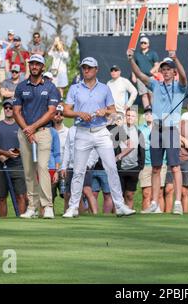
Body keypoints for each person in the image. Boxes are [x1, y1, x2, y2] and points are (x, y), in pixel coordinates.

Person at [62, 57, 135, 218]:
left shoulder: (104, 88)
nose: (86, 70)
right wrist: (78, 113)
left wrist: (105, 111)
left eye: (89, 68)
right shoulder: (75, 88)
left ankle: (120, 205)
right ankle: (73, 207)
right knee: (78, 171)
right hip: (82, 131)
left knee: (111, 168)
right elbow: (65, 111)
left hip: (101, 131)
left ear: (96, 69)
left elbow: (113, 111)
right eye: (84, 68)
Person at [128, 52, 187, 215]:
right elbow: (139, 74)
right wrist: (130, 59)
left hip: (171, 130)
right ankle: (154, 203)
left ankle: (177, 203)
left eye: (169, 69)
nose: (166, 71)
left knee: (174, 167)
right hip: (156, 130)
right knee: (155, 168)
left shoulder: (180, 86)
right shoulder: (156, 84)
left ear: (173, 71)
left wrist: (176, 59)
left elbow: (183, 76)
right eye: (164, 69)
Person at [13, 54, 61, 219]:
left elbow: (51, 112)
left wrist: (32, 128)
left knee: (42, 167)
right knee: (28, 170)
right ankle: (32, 207)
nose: (34, 66)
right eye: (32, 63)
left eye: (37, 64)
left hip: (43, 132)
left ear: (42, 67)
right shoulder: (20, 87)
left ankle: (47, 206)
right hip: (25, 133)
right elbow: (16, 111)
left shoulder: (50, 87)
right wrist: (27, 129)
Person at [0, 99, 27, 217]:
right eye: (6, 108)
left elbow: (27, 145)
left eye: (11, 108)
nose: (8, 110)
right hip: (0, 166)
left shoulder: (22, 126)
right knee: (1, 197)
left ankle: (21, 221)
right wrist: (5, 153)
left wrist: (11, 153)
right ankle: (3, 222)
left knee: (21, 196)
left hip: (17, 165)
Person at [60, 125, 97, 214]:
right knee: (69, 193)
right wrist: (64, 166)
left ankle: (95, 214)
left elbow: (95, 149)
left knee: (86, 190)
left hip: (85, 165)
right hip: (71, 166)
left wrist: (89, 164)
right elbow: (67, 148)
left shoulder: (91, 129)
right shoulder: (71, 129)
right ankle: (78, 213)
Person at [138, 106, 168, 211]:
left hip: (161, 163)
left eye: (151, 113)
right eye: (146, 113)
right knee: (146, 193)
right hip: (146, 164)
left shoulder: (161, 128)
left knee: (160, 192)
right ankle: (147, 215)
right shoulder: (140, 129)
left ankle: (160, 216)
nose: (149, 115)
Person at [118, 108, 145, 209]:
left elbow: (142, 151)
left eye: (133, 116)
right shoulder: (119, 130)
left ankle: (129, 212)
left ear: (136, 118)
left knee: (129, 195)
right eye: (128, 115)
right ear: (125, 116)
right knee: (119, 195)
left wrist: (140, 166)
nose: (130, 118)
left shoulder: (139, 133)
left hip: (133, 168)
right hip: (120, 167)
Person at [131, 36, 160, 109]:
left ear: (148, 44)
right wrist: (133, 76)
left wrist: (155, 74)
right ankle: (147, 111)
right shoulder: (137, 54)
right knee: (144, 95)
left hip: (151, 77)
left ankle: (154, 110)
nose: (143, 44)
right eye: (141, 43)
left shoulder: (153, 53)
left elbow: (157, 65)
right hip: (140, 78)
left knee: (152, 94)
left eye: (145, 43)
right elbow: (134, 66)